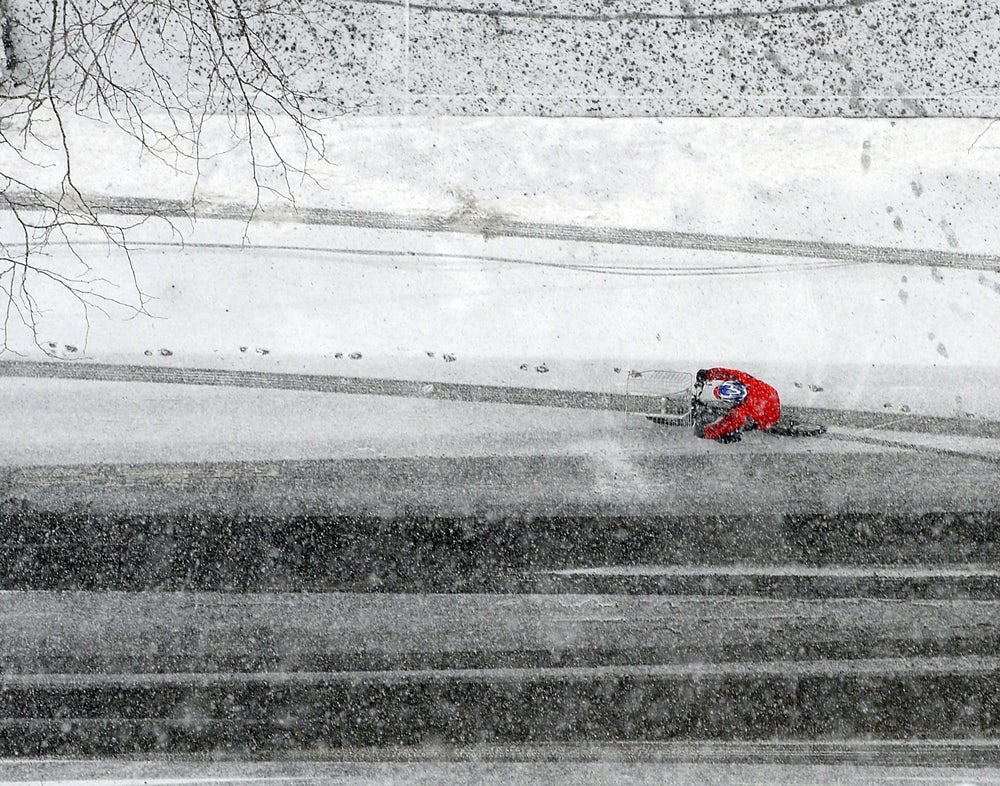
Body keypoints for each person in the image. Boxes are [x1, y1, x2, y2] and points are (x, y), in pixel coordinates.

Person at [694, 367, 781, 444]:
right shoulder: (746, 380)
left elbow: (724, 426)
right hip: (771, 394)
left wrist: (704, 433)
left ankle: (740, 432)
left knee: (731, 433)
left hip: (770, 418)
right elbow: (728, 373)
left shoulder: (740, 412)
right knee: (738, 419)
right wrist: (708, 374)